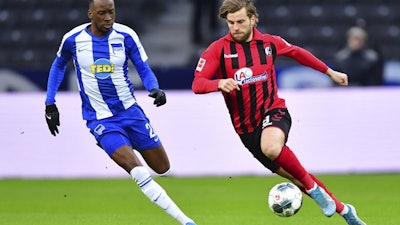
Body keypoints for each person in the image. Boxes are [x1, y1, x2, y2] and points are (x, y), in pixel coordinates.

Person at [191, 1, 366, 225]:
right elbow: (198, 84)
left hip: (274, 110)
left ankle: (312, 188)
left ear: (253, 19)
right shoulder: (218, 49)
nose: (235, 27)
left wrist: (329, 71)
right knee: (295, 175)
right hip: (246, 130)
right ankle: (345, 211)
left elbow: (297, 53)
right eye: (231, 22)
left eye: (241, 21)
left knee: (272, 148)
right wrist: (218, 83)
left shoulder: (268, 43)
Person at [44, 1, 197, 225]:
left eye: (111, 12)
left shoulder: (126, 36)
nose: (108, 17)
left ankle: (123, 142)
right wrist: (50, 103)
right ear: (90, 14)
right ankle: (186, 222)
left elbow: (144, 67)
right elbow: (58, 66)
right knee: (139, 172)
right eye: (102, 13)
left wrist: (154, 87)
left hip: (131, 113)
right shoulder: (73, 39)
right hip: (101, 119)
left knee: (162, 167)